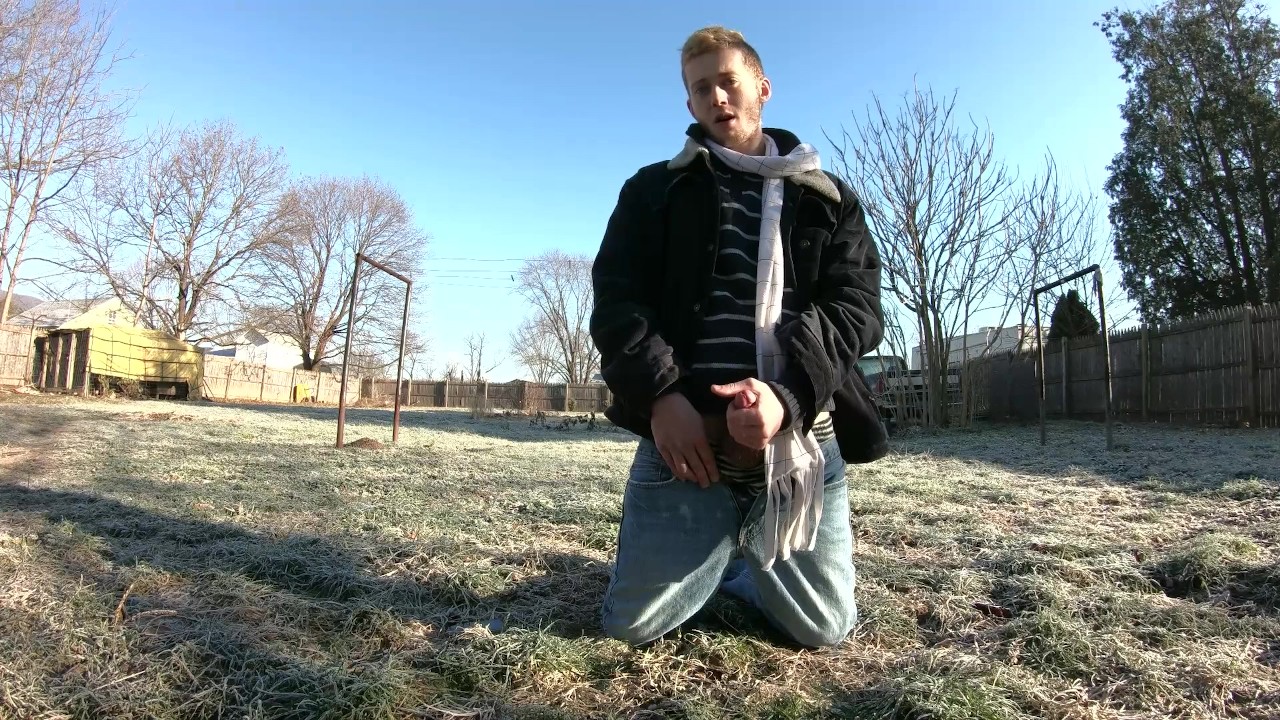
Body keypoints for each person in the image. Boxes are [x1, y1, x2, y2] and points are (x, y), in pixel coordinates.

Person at [588, 25, 888, 649]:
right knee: (630, 627)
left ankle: (741, 563)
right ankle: (716, 552)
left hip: (800, 437)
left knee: (825, 629)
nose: (717, 98)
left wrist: (788, 396)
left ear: (762, 87)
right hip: (687, 438)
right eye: (701, 89)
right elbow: (618, 301)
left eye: (729, 81)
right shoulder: (653, 190)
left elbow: (857, 309)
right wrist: (662, 399)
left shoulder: (828, 199)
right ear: (689, 103)